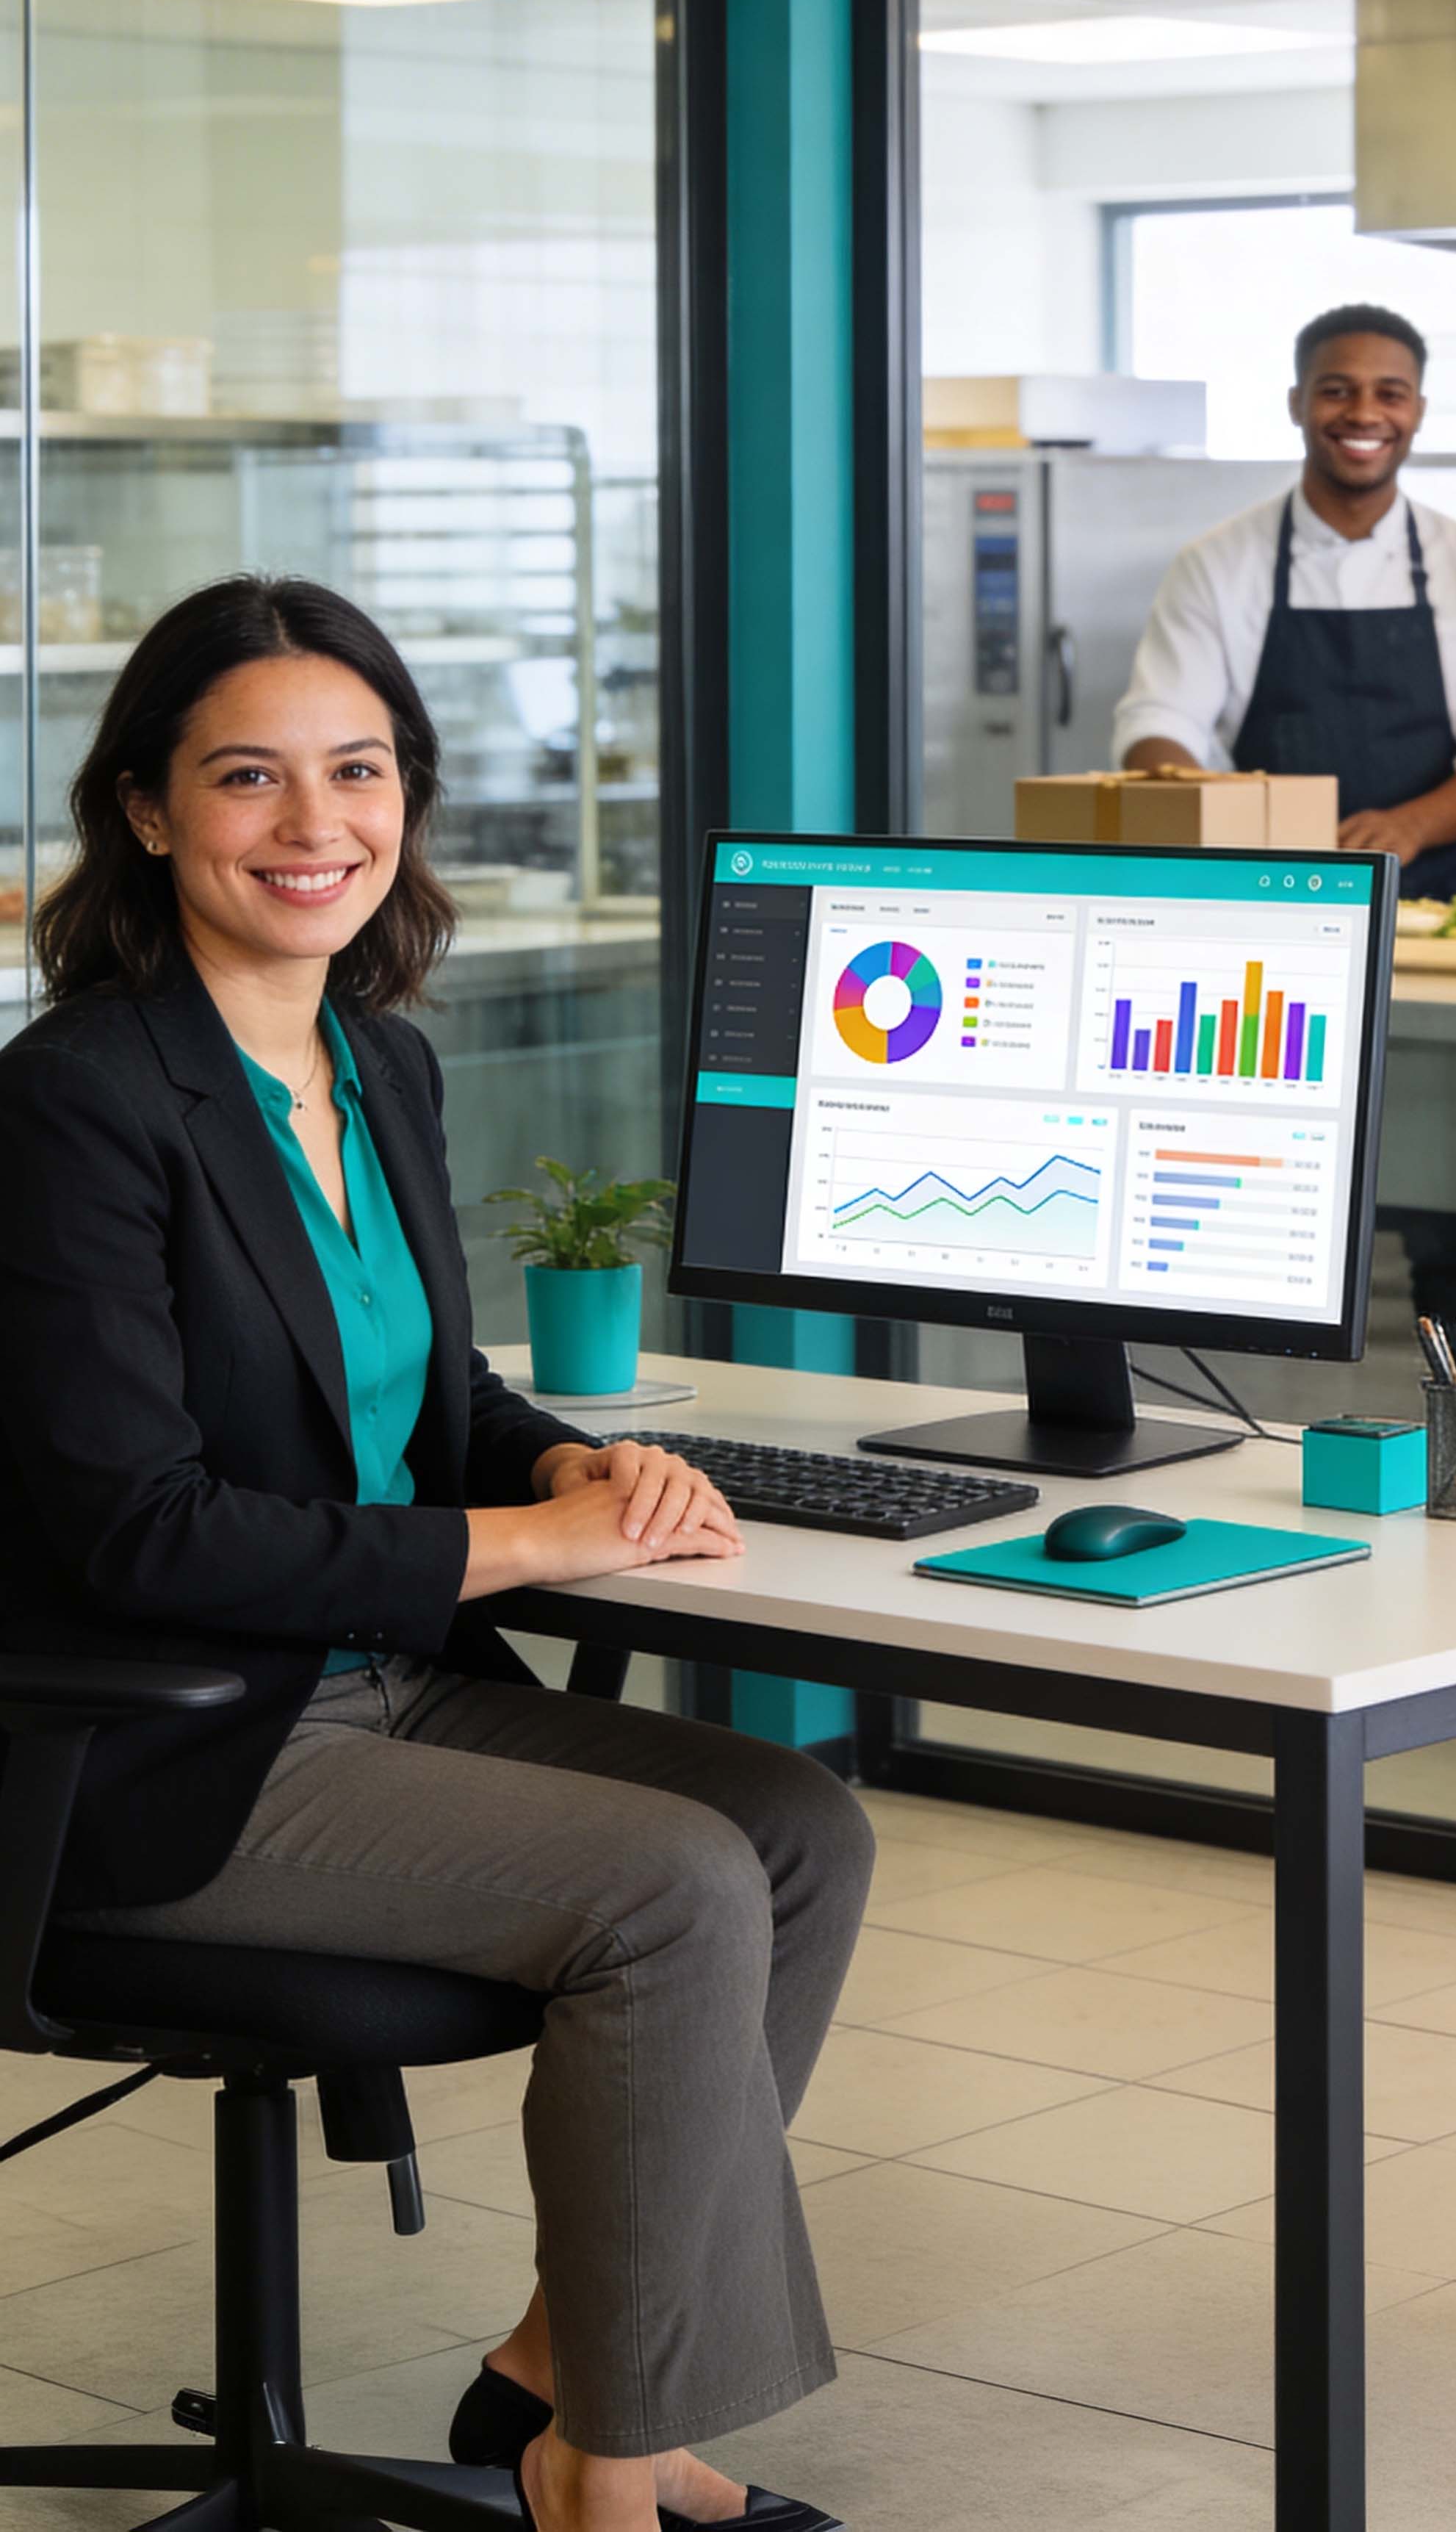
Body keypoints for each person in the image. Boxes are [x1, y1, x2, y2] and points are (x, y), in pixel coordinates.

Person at [0, 577, 871, 2532]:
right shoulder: (75, 1105)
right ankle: (607, 2479)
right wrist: (524, 1536)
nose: (315, 822)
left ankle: (569, 2370)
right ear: (145, 807)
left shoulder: (376, 1061)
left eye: (360, 770)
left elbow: (421, 1389)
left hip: (376, 1681)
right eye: (250, 776)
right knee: (670, 1884)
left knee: (800, 1828)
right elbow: (140, 1524)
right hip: (163, 1746)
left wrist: (571, 1458)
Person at [1113, 300, 1456, 1334]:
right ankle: (1266, 1396)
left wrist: (1409, 825)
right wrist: (1233, 815)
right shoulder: (1220, 562)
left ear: (1418, 410)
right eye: (1337, 389)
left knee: (1450, 1198)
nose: (1363, 412)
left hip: (1440, 927)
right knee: (1265, 1196)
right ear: (1297, 404)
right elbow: (1156, 724)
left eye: (1388, 392)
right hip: (1273, 935)